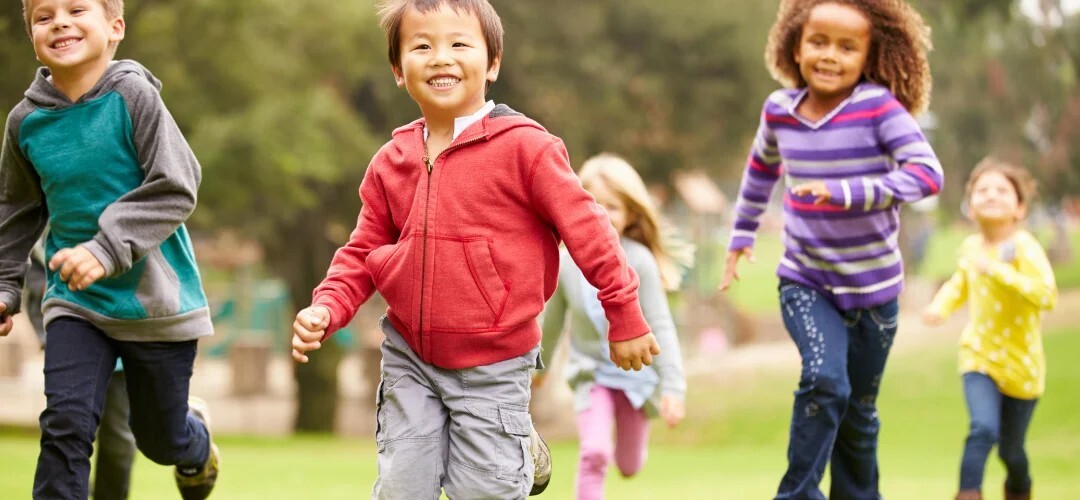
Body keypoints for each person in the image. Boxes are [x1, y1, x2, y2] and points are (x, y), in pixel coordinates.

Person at [290, 1, 659, 498]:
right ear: (399, 70)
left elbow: (588, 230)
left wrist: (623, 311)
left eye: (459, 44)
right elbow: (362, 251)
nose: (441, 57)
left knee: (483, 492)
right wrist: (327, 306)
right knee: (401, 488)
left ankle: (514, 448)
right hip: (410, 356)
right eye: (422, 46)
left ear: (493, 63)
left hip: (495, 364)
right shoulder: (391, 161)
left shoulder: (527, 148)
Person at [719, 1, 942, 498]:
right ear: (795, 47)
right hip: (806, 280)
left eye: (847, 47)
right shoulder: (780, 112)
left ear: (869, 56)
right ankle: (796, 493)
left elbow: (928, 174)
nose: (830, 56)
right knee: (825, 381)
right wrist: (740, 236)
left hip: (875, 293)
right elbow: (760, 172)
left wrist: (848, 192)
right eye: (818, 42)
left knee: (858, 414)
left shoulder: (879, 109)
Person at [0, 0, 220, 498]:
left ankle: (194, 439)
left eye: (77, 9)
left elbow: (178, 185)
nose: (59, 21)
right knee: (65, 426)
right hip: (75, 303)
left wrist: (104, 249)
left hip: (155, 304)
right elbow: (15, 210)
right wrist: (5, 283)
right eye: (43, 15)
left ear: (115, 26)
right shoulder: (25, 121)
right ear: (32, 34)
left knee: (160, 441)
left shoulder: (132, 95)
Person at [534, 153, 690, 500]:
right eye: (594, 204)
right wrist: (537, 367)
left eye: (613, 206)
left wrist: (673, 388)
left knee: (629, 464)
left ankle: (632, 448)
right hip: (592, 376)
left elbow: (661, 326)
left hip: (638, 379)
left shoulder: (640, 261)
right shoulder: (566, 262)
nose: (602, 214)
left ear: (632, 213)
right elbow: (554, 319)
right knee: (594, 453)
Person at [923, 158, 1056, 500]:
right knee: (982, 428)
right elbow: (960, 283)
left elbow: (1045, 295)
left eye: (1001, 190)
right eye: (982, 190)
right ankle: (968, 493)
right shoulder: (970, 248)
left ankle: (1020, 490)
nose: (991, 195)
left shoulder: (1025, 247)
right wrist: (939, 308)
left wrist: (996, 270)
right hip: (979, 358)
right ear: (970, 206)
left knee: (1011, 452)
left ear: (1020, 208)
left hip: (1023, 368)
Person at [25, 238, 138, 500]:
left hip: (125, 337)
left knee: (119, 441)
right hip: (71, 337)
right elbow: (31, 264)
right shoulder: (50, 219)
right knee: (69, 430)